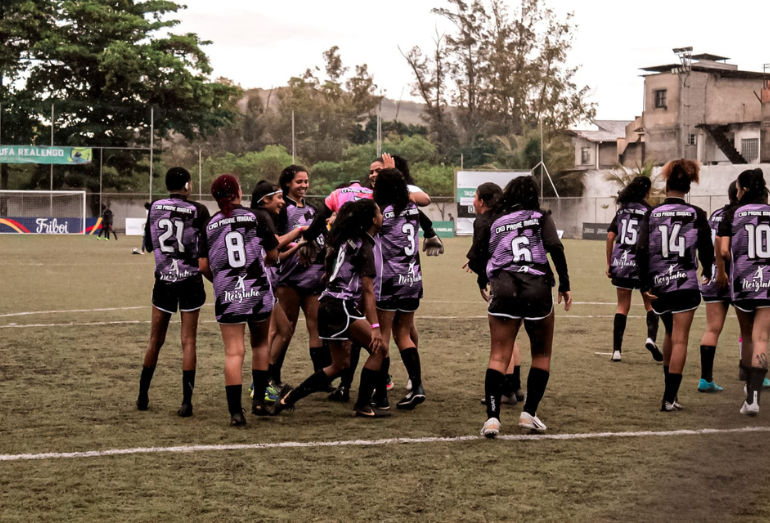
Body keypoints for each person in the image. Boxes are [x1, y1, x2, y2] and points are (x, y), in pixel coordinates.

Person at [470, 176, 572, 437]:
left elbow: (480, 254)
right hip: (537, 286)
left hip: (504, 286)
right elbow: (555, 247)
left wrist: (484, 279)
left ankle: (492, 419)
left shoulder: (496, 221)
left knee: (498, 356)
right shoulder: (540, 216)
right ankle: (529, 414)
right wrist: (564, 284)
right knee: (541, 354)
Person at [274, 199, 388, 417]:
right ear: (373, 220)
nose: (383, 216)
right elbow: (368, 291)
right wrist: (374, 326)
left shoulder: (345, 240)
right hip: (340, 306)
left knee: (339, 365)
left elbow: (328, 266)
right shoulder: (364, 246)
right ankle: (363, 405)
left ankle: (289, 398)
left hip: (325, 304)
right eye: (380, 212)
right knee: (380, 350)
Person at [198, 174, 279, 426]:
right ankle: (260, 402)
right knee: (260, 346)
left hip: (228, 294)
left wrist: (223, 281)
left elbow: (202, 266)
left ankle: (235, 413)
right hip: (257, 291)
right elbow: (273, 253)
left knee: (234, 352)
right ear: (237, 193)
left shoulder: (209, 225)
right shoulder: (257, 217)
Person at [637, 159, 713, 412]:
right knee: (680, 339)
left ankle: (669, 395)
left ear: (667, 185)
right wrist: (709, 269)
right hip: (686, 284)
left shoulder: (652, 213)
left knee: (670, 334)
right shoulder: (696, 214)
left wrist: (645, 282)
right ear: (688, 187)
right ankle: (670, 397)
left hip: (659, 285)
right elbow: (706, 249)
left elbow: (641, 249)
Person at [136, 167, 210, 417]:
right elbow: (205, 249)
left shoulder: (155, 207)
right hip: (191, 279)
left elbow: (148, 243)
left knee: (155, 340)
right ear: (188, 185)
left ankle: (142, 396)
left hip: (164, 279)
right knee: (188, 341)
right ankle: (186, 403)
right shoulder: (198, 210)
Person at [269, 165, 329, 387]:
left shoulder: (314, 211)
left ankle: (320, 377)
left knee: (317, 326)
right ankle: (273, 375)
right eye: (299, 182)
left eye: (306, 181)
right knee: (287, 328)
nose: (304, 185)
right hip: (290, 278)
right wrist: (297, 244)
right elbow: (275, 240)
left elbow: (323, 240)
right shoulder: (282, 209)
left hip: (313, 276)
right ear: (287, 184)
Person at [716, 168, 770, 415]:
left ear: (745, 188)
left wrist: (724, 270)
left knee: (747, 337)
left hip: (743, 282)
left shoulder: (732, 213)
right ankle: (755, 398)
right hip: (768, 282)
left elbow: (724, 251)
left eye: (738, 186)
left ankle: (749, 395)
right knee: (763, 339)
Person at [371, 168, 426, 410]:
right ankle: (417, 386)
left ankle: (381, 395)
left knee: (383, 336)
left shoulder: (381, 210)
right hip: (412, 278)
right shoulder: (413, 208)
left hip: (388, 279)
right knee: (403, 333)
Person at [466, 182, 525, 405]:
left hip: (503, 282)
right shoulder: (509, 215)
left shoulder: (483, 220)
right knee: (512, 334)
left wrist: (480, 277)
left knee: (502, 338)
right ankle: (516, 386)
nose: (473, 201)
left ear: (482, 200)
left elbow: (480, 255)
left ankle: (506, 390)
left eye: (474, 196)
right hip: (524, 278)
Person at [605, 176, 662, 362]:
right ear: (646, 191)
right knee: (650, 304)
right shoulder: (648, 211)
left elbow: (610, 236)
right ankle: (650, 339)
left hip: (621, 264)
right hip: (641, 265)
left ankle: (616, 351)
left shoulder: (622, 211)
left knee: (622, 306)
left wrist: (608, 263)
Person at [696, 180, 738, 392]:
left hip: (713, 276)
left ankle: (705, 379)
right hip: (739, 278)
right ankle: (753, 373)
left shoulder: (715, 215)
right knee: (753, 331)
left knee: (712, 328)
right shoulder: (743, 214)